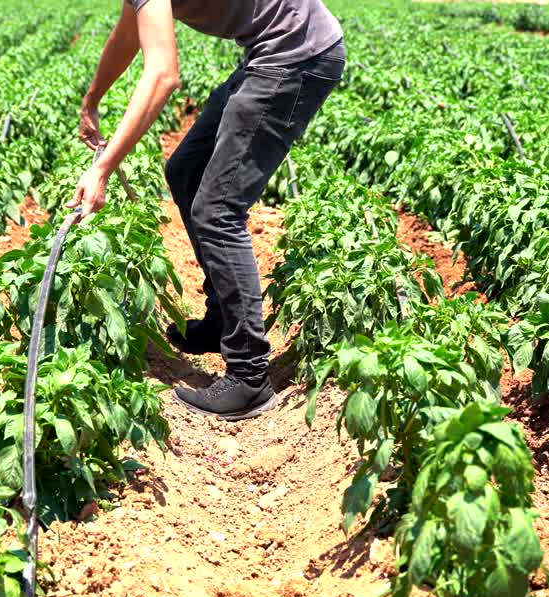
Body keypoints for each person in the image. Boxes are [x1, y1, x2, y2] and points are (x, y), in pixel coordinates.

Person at [70, 0, 345, 421]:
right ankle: (222, 320)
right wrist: (93, 98)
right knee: (186, 169)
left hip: (296, 55)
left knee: (217, 210)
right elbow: (128, 34)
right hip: (272, 51)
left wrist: (103, 169)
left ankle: (250, 375)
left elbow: (163, 75)